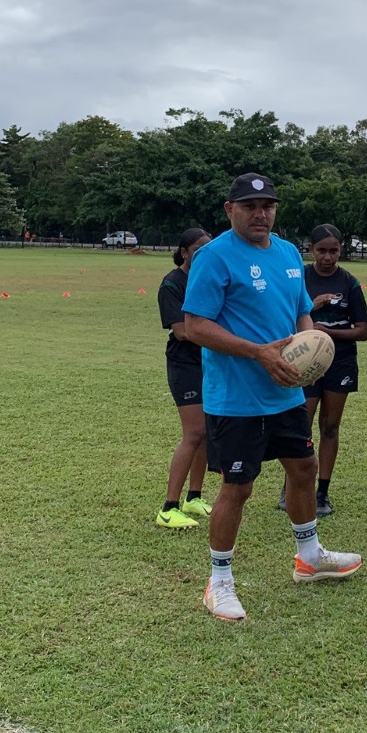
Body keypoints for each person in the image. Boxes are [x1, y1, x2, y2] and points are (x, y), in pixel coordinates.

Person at [184, 173, 362, 622]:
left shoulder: (286, 252)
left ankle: (309, 557)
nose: (260, 214)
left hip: (285, 396)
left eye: (268, 206)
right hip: (236, 399)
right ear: (230, 210)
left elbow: (301, 312)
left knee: (304, 468)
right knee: (238, 487)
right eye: (249, 206)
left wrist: (309, 347)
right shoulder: (214, 257)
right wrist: (257, 353)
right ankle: (219, 582)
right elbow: (196, 326)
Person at [298, 224, 367, 517]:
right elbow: (285, 318)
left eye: (334, 251)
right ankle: (293, 485)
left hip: (339, 362)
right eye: (321, 251)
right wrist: (311, 307)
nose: (328, 257)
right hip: (304, 361)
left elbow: (362, 331)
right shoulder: (300, 277)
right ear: (311, 249)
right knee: (301, 425)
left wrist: (328, 333)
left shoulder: (349, 282)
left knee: (330, 426)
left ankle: (322, 492)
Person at [155, 227, 213, 529]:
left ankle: (194, 497)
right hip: (184, 364)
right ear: (185, 251)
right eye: (199, 248)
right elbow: (182, 331)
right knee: (194, 433)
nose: (205, 253)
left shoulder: (210, 279)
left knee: (206, 432)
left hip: (210, 362)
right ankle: (169, 507)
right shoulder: (172, 284)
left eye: (210, 248)